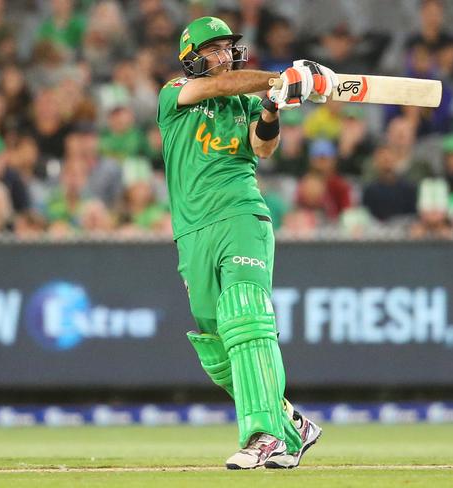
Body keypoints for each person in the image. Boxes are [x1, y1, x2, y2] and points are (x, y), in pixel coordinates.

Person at [156, 16, 335, 470]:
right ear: (190, 58)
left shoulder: (247, 102)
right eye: (213, 50)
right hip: (192, 232)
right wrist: (282, 80)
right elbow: (216, 88)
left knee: (246, 320)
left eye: (227, 49)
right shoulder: (174, 93)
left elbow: (264, 148)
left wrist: (272, 106)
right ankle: (291, 422)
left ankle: (266, 436)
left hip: (240, 216)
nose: (223, 57)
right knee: (216, 349)